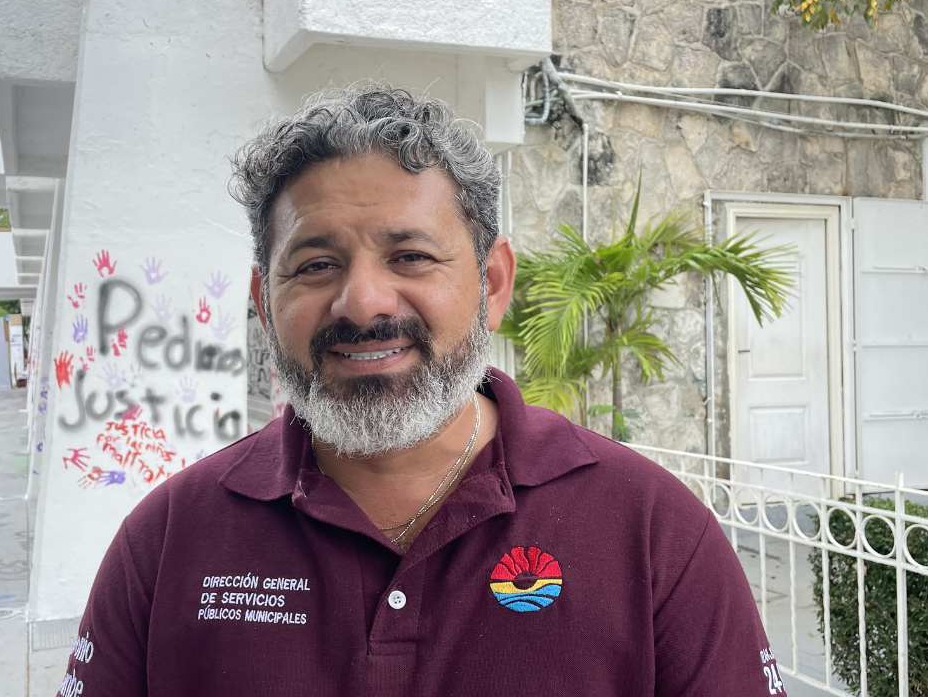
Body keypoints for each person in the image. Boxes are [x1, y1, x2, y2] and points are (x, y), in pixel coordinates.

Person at [58, 86, 787, 696]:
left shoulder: (653, 533)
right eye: (315, 265)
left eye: (410, 256)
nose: (363, 303)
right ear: (263, 302)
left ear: (492, 284)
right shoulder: (168, 541)